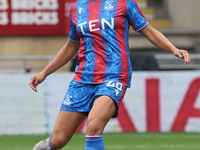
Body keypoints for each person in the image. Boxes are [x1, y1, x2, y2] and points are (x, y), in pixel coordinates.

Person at [29, 0, 190, 149]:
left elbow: (149, 32)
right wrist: (44, 73)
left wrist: (173, 48)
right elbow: (71, 46)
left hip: (114, 75)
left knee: (93, 125)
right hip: (83, 78)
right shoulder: (76, 8)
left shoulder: (124, 3)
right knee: (58, 140)